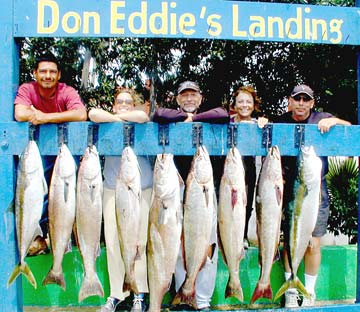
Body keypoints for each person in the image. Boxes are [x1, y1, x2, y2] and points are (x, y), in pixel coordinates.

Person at [153, 81, 229, 310]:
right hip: (177, 192)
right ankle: (184, 290)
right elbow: (157, 113)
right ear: (177, 99)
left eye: (193, 95)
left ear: (200, 98)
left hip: (203, 193)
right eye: (184, 95)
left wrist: (193, 119)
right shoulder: (172, 116)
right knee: (179, 245)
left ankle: (202, 300)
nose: (188, 99)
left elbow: (223, 114)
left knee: (207, 244)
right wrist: (182, 118)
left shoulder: (207, 116)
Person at [273, 84, 351, 308]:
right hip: (289, 190)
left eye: (305, 99)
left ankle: (309, 293)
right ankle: (290, 291)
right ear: (290, 101)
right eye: (297, 98)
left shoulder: (321, 117)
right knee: (290, 241)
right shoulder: (282, 120)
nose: (301, 103)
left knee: (313, 244)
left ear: (312, 103)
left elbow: (348, 127)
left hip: (316, 189)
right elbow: (264, 129)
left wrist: (334, 121)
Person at [14, 52, 87, 255]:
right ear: (35, 73)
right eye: (43, 71)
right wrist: (60, 117)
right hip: (38, 151)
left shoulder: (67, 91)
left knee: (70, 191)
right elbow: (20, 113)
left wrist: (45, 117)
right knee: (38, 190)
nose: (48, 75)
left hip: (65, 150)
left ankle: (70, 235)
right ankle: (41, 236)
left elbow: (81, 113)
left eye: (52, 72)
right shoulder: (27, 89)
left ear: (59, 74)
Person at [88, 87, 151, 312]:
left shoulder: (140, 122)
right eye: (119, 102)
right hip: (112, 190)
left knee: (139, 242)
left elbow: (142, 116)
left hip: (141, 191)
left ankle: (139, 292)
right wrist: (116, 118)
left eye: (128, 102)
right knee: (113, 242)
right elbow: (93, 113)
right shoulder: (105, 122)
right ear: (113, 105)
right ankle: (117, 293)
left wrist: (118, 118)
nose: (124, 105)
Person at [230, 85, 268, 248]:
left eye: (248, 101)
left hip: (249, 169)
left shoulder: (258, 124)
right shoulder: (228, 123)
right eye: (240, 101)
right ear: (235, 104)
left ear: (254, 104)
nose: (244, 105)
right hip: (230, 169)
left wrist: (264, 124)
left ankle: (242, 236)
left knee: (246, 204)